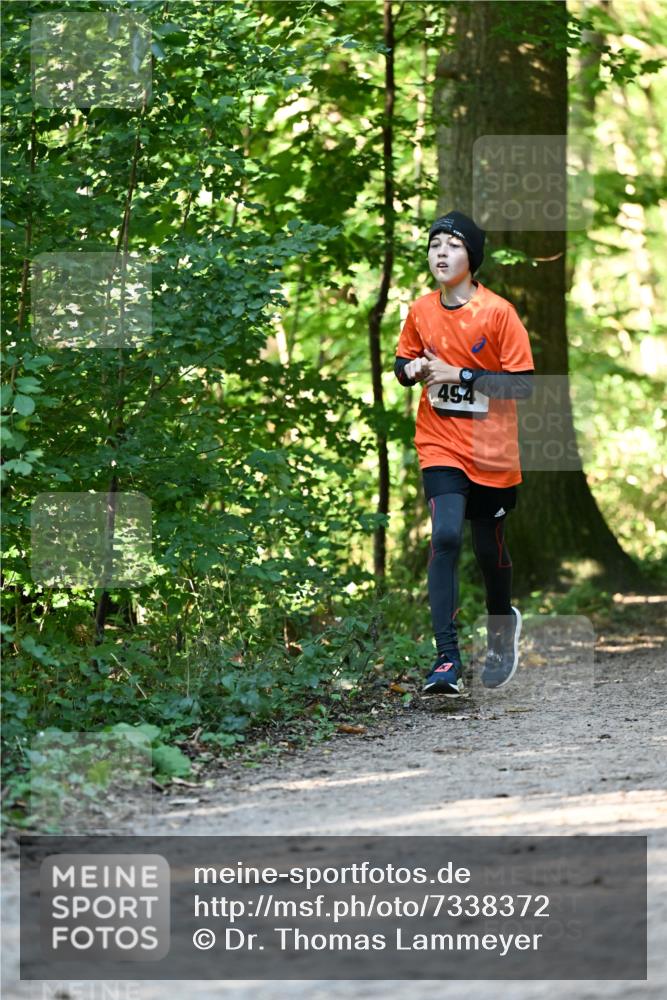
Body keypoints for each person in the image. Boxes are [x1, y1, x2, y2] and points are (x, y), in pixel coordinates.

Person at [394, 211, 535, 697]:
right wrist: (413, 370)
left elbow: (523, 385)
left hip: (492, 451)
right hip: (439, 443)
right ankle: (447, 659)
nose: (441, 252)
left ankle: (501, 624)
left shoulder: (498, 313)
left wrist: (463, 375)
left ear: (471, 258)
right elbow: (402, 363)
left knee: (488, 549)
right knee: (446, 536)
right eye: (435, 244)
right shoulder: (420, 310)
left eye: (453, 245)